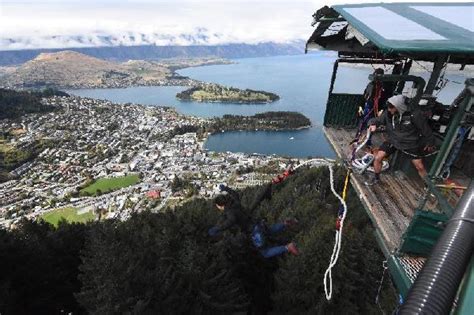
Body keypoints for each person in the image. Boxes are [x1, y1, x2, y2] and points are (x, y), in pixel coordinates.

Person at [208, 184, 300, 258]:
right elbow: (235, 194)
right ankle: (285, 223)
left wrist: (217, 229)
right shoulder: (235, 203)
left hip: (254, 231)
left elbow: (230, 222)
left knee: (265, 252)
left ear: (220, 205)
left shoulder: (230, 212)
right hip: (258, 223)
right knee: (270, 231)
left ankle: (288, 247)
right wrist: (225, 188)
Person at [365, 94, 436, 186]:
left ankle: (428, 186)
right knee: (378, 158)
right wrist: (372, 124)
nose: (389, 109)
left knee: (420, 167)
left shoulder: (415, 115)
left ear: (399, 106)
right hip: (393, 141)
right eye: (388, 107)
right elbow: (378, 120)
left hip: (410, 144)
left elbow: (425, 130)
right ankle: (376, 178)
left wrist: (430, 143)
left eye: (391, 107)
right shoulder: (388, 113)